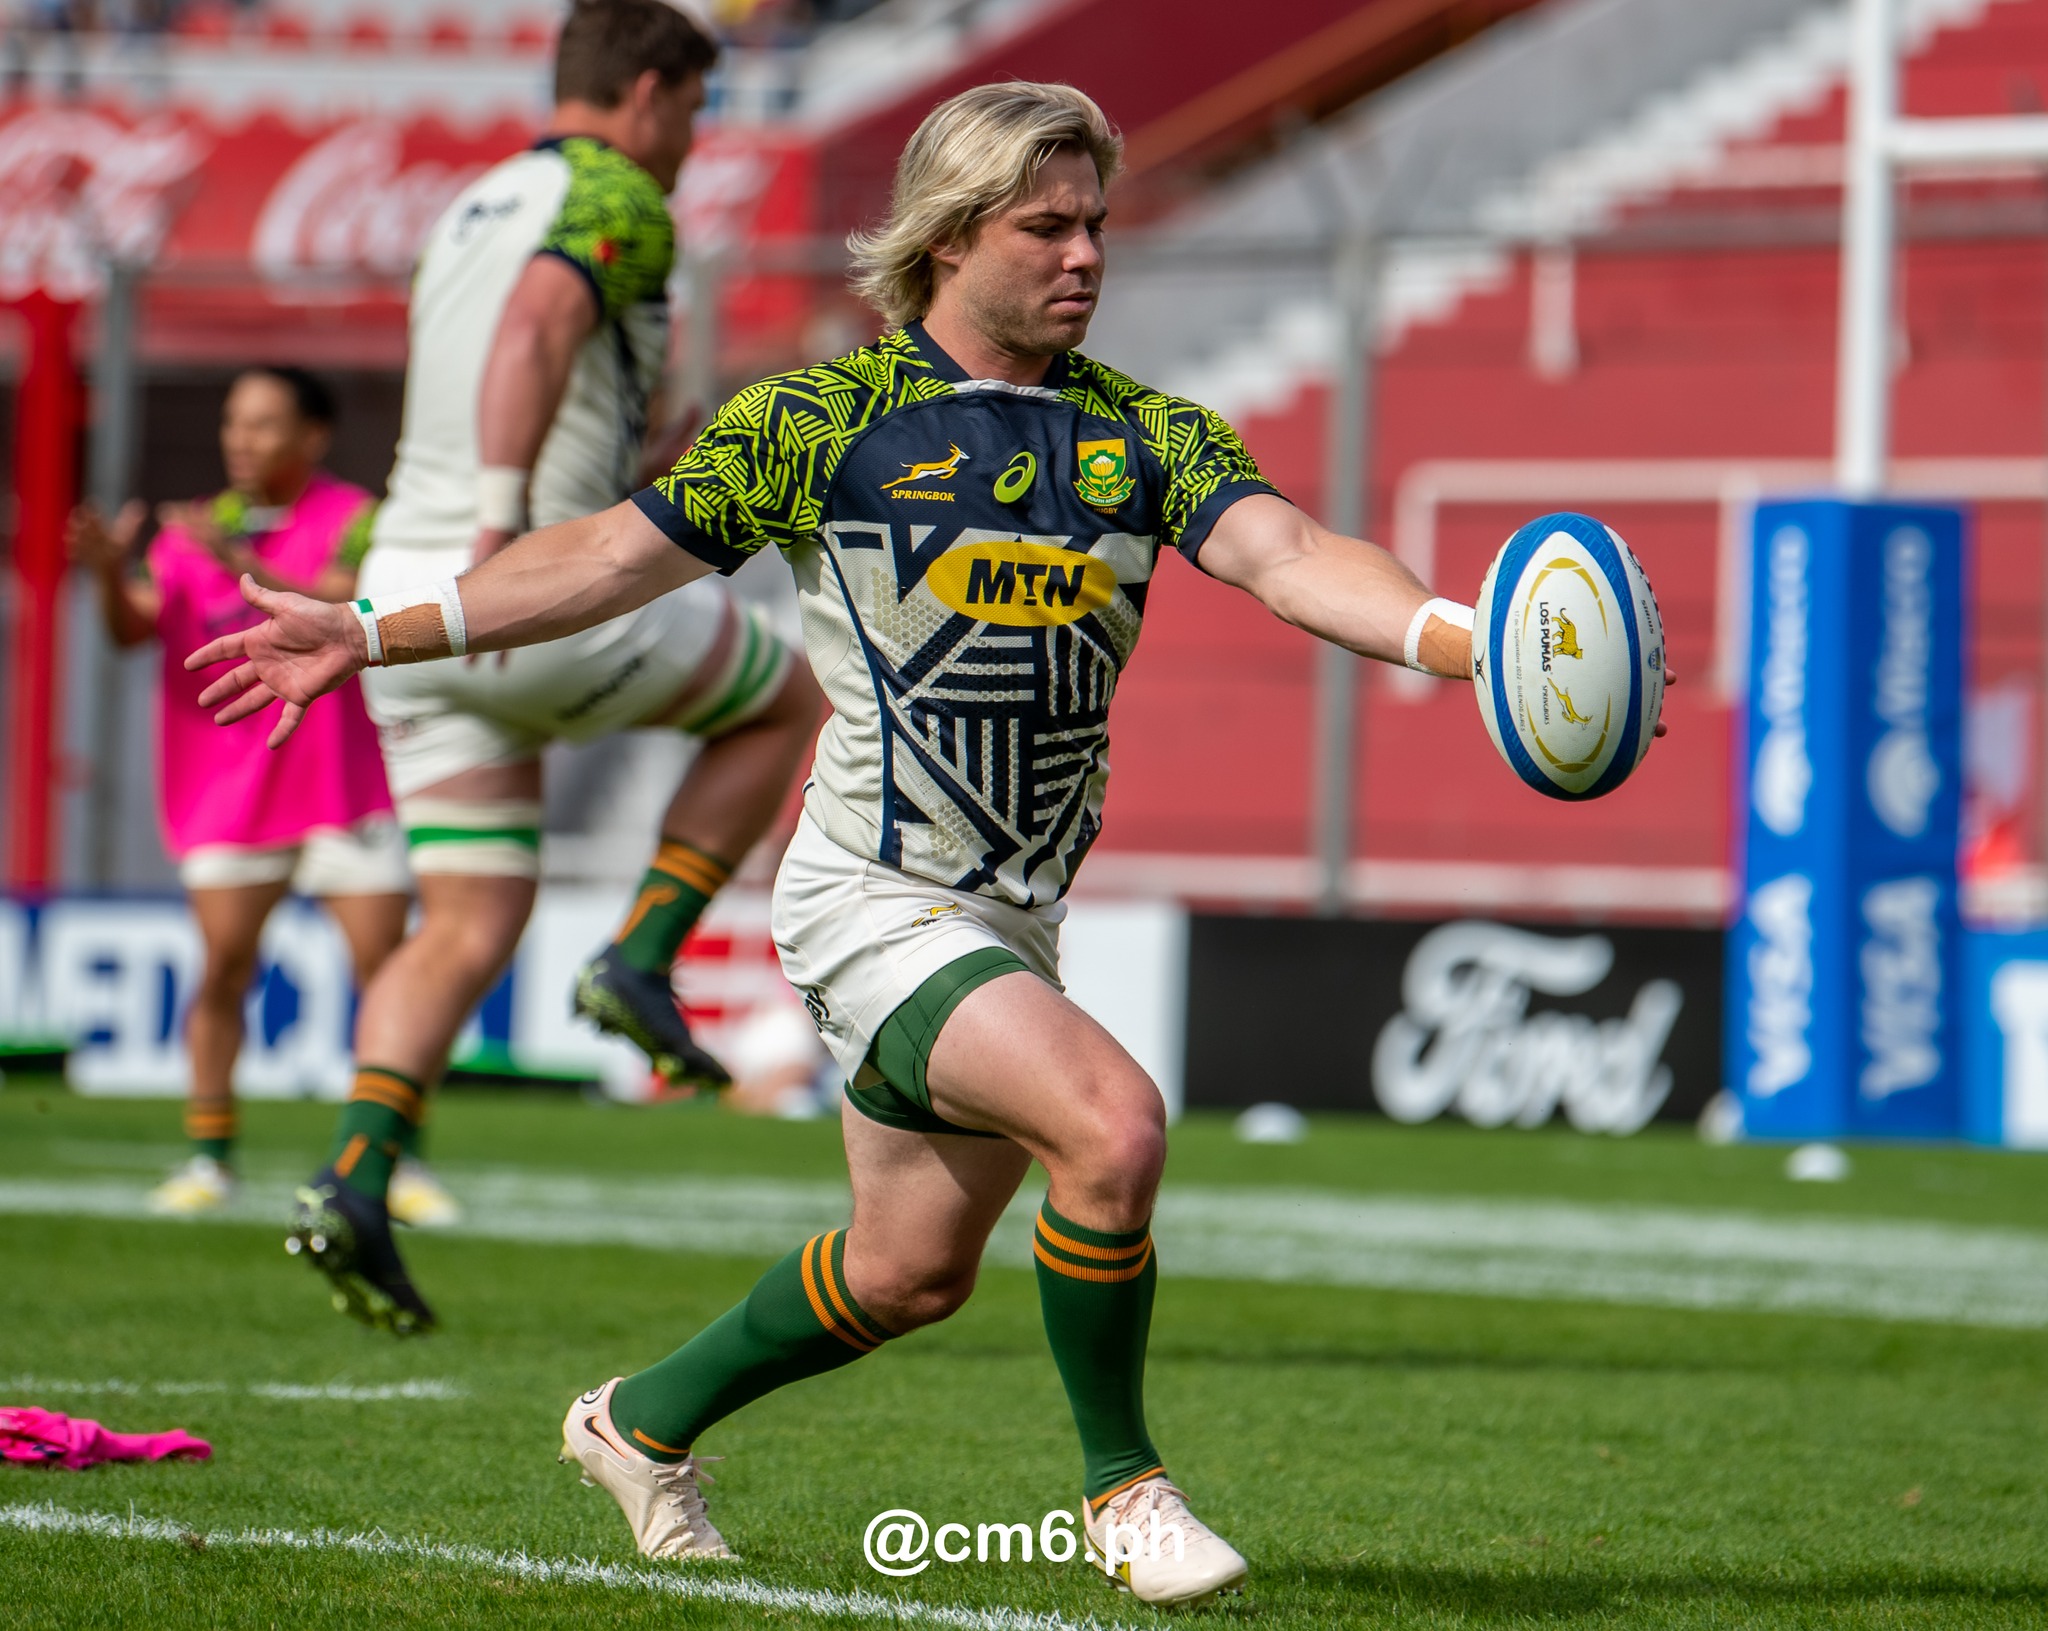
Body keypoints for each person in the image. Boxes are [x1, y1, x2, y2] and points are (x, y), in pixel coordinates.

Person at [190, 82, 1671, 1607]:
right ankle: (1128, 1490)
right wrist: (376, 629)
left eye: (1096, 220)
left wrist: (1467, 634)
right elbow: (607, 559)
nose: (1087, 253)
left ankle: (634, 1424)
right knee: (1112, 1121)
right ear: (952, 235)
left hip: (1010, 916)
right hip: (868, 897)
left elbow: (1290, 556)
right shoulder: (819, 420)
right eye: (1049, 224)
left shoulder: (1140, 431)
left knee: (908, 1271)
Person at [271, 0, 820, 1336]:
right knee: (793, 692)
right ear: (644, 92)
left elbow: (505, 361)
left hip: (395, 603)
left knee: (461, 919)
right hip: (519, 588)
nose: (693, 142)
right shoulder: (617, 191)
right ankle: (642, 950)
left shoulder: (474, 203)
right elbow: (534, 330)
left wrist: (571, 475)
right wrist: (509, 523)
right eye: (691, 111)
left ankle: (356, 1169)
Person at [66, 366, 449, 1223]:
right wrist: (101, 573)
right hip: (227, 793)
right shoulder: (184, 533)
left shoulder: (356, 518)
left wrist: (235, 560)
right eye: (235, 422)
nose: (242, 439)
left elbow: (349, 612)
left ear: (313, 436)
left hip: (344, 785)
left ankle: (401, 1163)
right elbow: (135, 629)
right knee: (223, 973)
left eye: (265, 424)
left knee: (388, 978)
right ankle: (209, 1158)